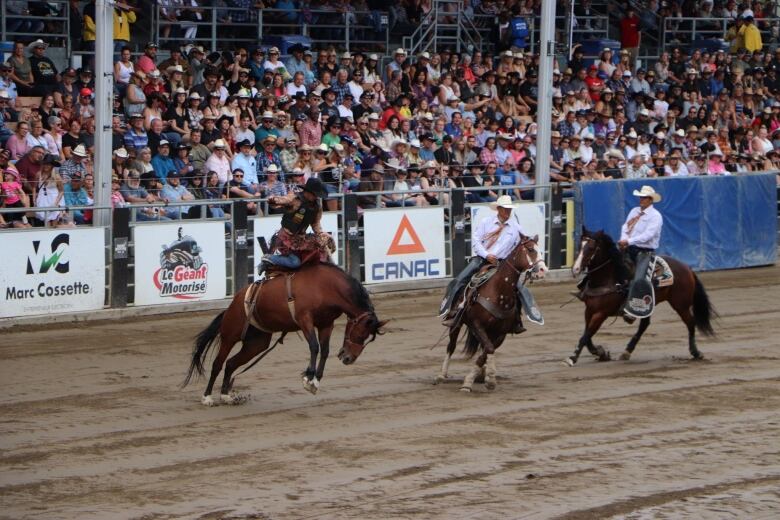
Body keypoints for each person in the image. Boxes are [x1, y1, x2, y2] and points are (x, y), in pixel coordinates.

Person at [439, 195, 533, 333]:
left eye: (510, 210)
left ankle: (516, 320)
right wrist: (486, 255)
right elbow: (476, 241)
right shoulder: (486, 222)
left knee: (519, 288)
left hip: (503, 263)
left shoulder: (515, 227)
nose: (508, 212)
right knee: (460, 280)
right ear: (499, 209)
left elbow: (525, 241)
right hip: (482, 258)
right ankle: (453, 313)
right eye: (506, 209)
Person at [256, 177, 333, 278]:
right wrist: (274, 200)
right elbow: (284, 200)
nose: (316, 197)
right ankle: (269, 258)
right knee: (295, 262)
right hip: (286, 237)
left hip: (301, 238)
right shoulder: (295, 199)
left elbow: (315, 223)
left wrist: (320, 233)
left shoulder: (317, 205)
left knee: (322, 251)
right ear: (308, 192)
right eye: (315, 194)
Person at [618, 185, 663, 320]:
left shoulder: (655, 216)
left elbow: (648, 236)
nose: (641, 200)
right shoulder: (634, 211)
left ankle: (634, 310)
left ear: (650, 200)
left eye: (644, 198)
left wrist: (628, 241)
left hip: (645, 251)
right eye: (640, 197)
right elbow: (626, 227)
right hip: (629, 247)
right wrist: (623, 239)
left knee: (639, 279)